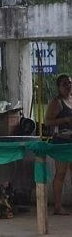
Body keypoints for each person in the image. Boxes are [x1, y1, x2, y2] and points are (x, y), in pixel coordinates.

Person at [46, 74, 72, 215]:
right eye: (64, 84)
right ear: (58, 87)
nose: (68, 86)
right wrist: (66, 119)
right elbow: (47, 122)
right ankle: (57, 206)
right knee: (60, 174)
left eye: (70, 83)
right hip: (61, 141)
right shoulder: (56, 103)